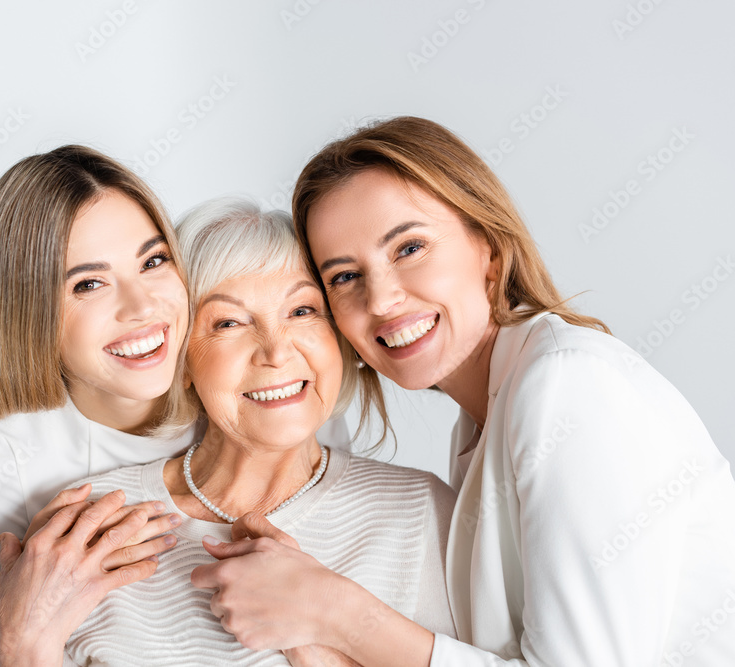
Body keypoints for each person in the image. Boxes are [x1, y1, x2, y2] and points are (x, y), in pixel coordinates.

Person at [190, 117, 735, 665]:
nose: (381, 300)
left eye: (409, 248)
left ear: (489, 248)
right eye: (345, 277)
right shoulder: (482, 419)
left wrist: (337, 612)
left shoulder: (567, 385)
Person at [0, 147, 350, 665]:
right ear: (28, 314)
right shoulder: (17, 465)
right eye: (88, 283)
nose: (143, 307)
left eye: (153, 261)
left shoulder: (263, 388)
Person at [23, 198, 454, 666]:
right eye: (228, 322)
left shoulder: (423, 513)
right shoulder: (91, 526)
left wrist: (315, 636)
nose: (275, 351)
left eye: (303, 311)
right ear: (182, 359)